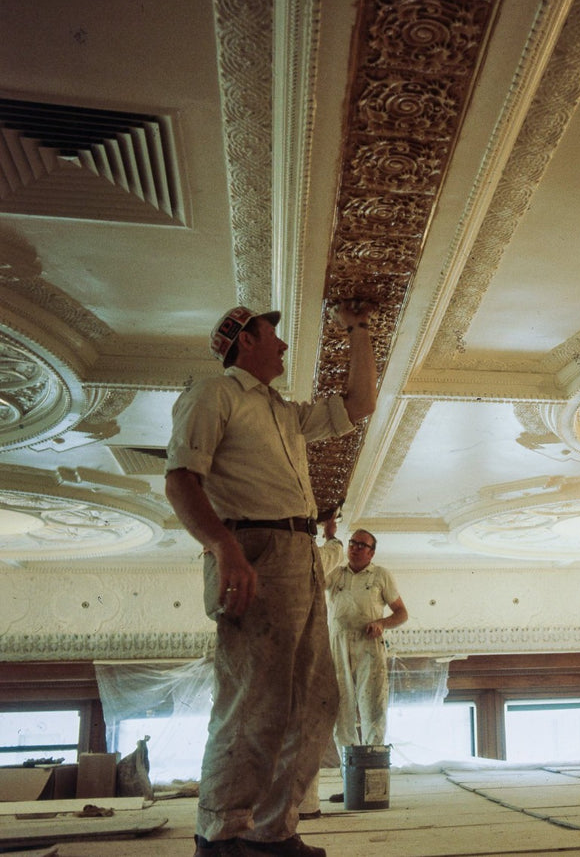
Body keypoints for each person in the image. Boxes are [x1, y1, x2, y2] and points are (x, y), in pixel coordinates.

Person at [165, 301, 376, 857]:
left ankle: (271, 831)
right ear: (244, 342)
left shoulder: (281, 411)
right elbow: (182, 481)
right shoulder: (214, 394)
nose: (284, 346)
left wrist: (359, 330)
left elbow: (360, 403)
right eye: (272, 335)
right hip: (252, 548)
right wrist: (224, 547)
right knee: (253, 700)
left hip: (300, 552)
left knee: (312, 701)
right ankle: (222, 835)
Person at [320, 520, 407, 795]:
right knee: (341, 713)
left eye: (362, 545)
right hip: (338, 644)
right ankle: (352, 786)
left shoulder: (381, 575)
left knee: (373, 710)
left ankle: (375, 786)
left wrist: (382, 623)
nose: (355, 548)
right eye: (353, 543)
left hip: (369, 644)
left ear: (372, 552)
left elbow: (401, 613)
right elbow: (315, 573)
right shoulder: (336, 574)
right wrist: (329, 537)